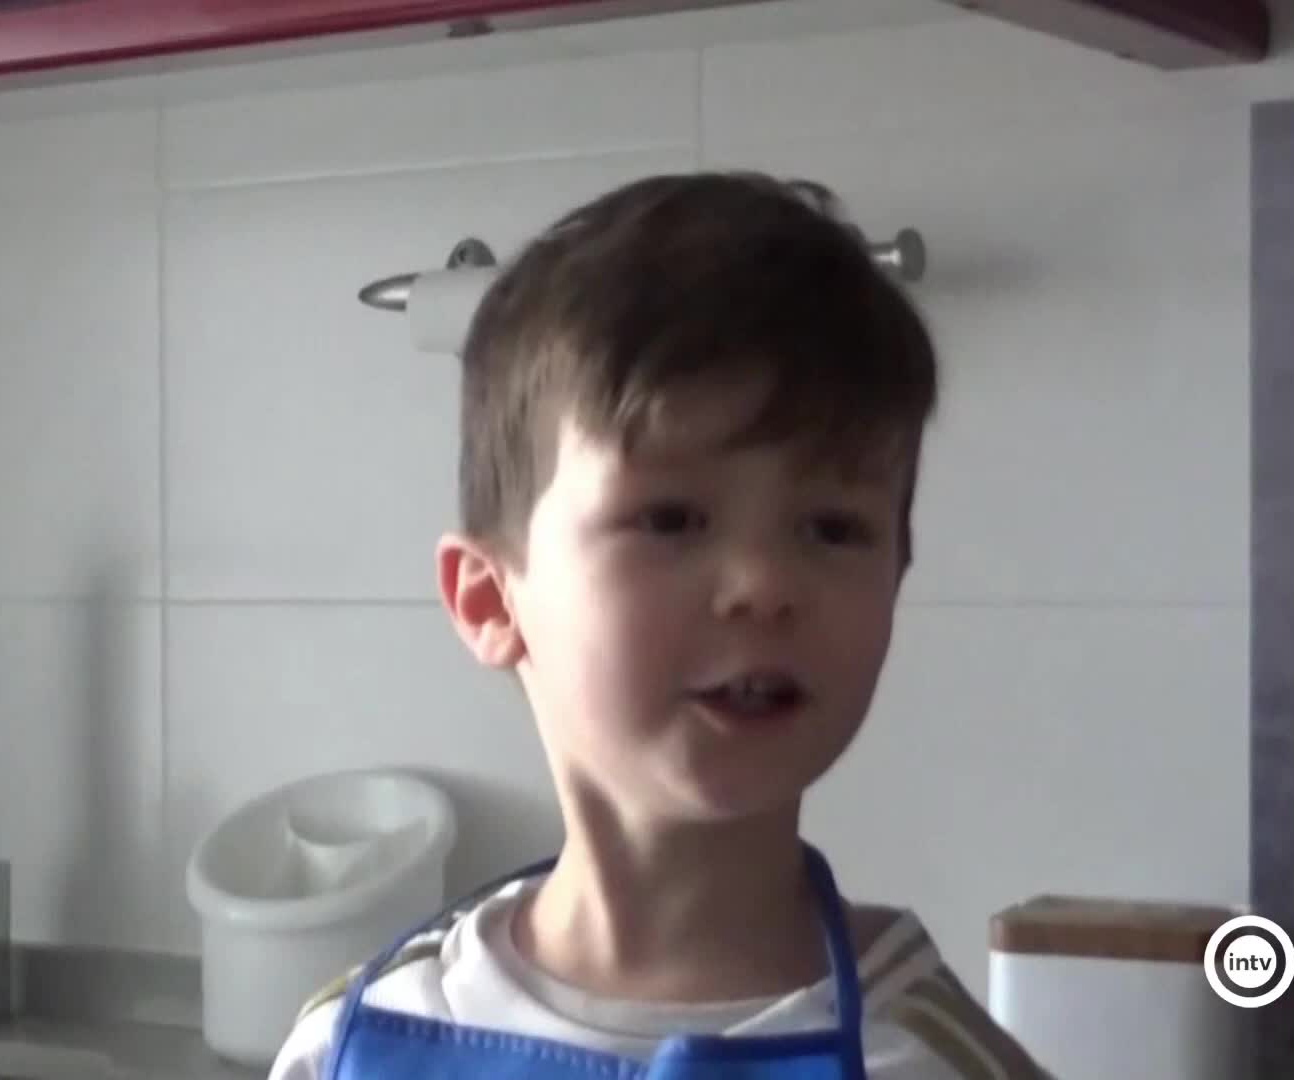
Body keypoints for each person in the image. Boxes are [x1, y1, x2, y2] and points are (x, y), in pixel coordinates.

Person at [267, 172, 1050, 1079]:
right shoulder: (347, 1043)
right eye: (672, 519)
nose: (764, 585)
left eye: (833, 528)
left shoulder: (931, 1062)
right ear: (491, 601)